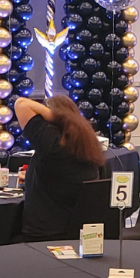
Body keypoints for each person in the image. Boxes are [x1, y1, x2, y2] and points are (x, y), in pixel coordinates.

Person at [14, 96, 104, 241]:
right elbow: (61, 176)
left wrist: (57, 116)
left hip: (42, 234)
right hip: (79, 233)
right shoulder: (86, 145)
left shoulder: (53, 145)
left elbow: (21, 104)